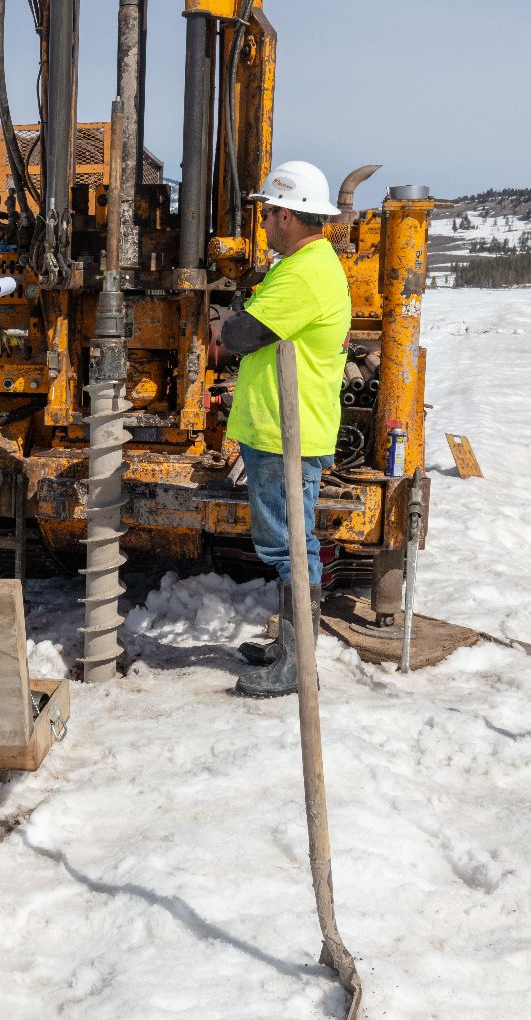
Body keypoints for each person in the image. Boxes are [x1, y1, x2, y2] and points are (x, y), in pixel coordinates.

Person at [214, 160, 352, 698]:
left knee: (291, 545)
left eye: (268, 212)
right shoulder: (300, 265)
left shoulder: (304, 273)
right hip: (276, 427)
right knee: (285, 542)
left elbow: (244, 334)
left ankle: (297, 664)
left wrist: (222, 321)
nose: (263, 222)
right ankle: (293, 649)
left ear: (290, 216)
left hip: (287, 432)